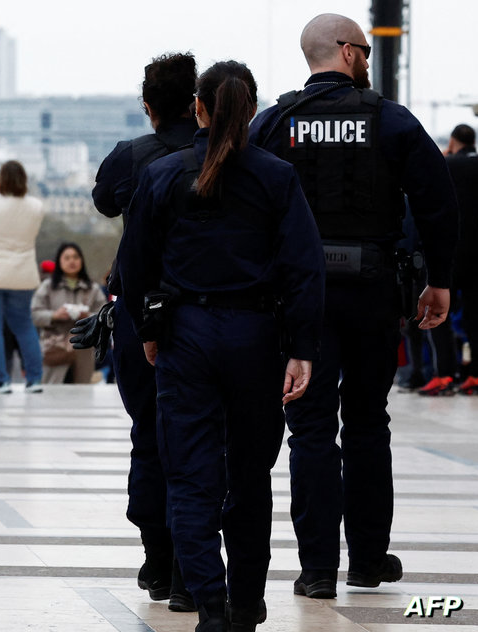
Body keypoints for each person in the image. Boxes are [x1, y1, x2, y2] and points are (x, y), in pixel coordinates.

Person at [249, 13, 457, 600]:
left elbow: (244, 202)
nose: (366, 57)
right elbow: (437, 202)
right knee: (367, 422)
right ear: (346, 51)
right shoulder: (390, 119)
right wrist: (439, 281)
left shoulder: (275, 122)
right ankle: (366, 560)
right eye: (364, 49)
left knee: (310, 429)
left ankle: (316, 570)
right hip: (371, 293)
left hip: (298, 300)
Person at [119, 60, 325, 632]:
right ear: (251, 109)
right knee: (250, 477)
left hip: (185, 334)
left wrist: (149, 331)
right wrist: (303, 347)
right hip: (256, 336)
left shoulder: (164, 174)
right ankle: (246, 603)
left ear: (198, 108)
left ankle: (209, 604)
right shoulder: (276, 177)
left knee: (190, 479)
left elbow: (134, 266)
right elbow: (304, 268)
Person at [93, 51, 200, 609]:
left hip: (142, 313)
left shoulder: (131, 156)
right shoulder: (220, 155)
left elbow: (103, 201)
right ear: (197, 103)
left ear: (147, 105)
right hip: (205, 313)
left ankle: (156, 556)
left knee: (148, 434)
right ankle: (190, 564)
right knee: (202, 440)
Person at [0, 160, 44, 392]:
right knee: (24, 326)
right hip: (23, 274)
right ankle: (34, 379)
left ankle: (0, 380)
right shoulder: (36, 206)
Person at [436, 124, 478, 394]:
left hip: (452, 252)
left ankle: (445, 375)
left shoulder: (448, 165)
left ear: (453, 142)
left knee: (439, 314)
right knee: (476, 317)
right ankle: (476, 375)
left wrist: (445, 156)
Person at [30, 241, 106, 384]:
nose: (72, 261)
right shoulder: (48, 287)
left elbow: (104, 316)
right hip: (54, 349)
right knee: (53, 392)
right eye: (67, 257)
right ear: (59, 261)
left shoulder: (93, 288)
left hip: (83, 349)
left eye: (76, 257)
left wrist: (88, 317)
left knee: (82, 392)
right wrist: (54, 315)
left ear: (81, 260)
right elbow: (34, 314)